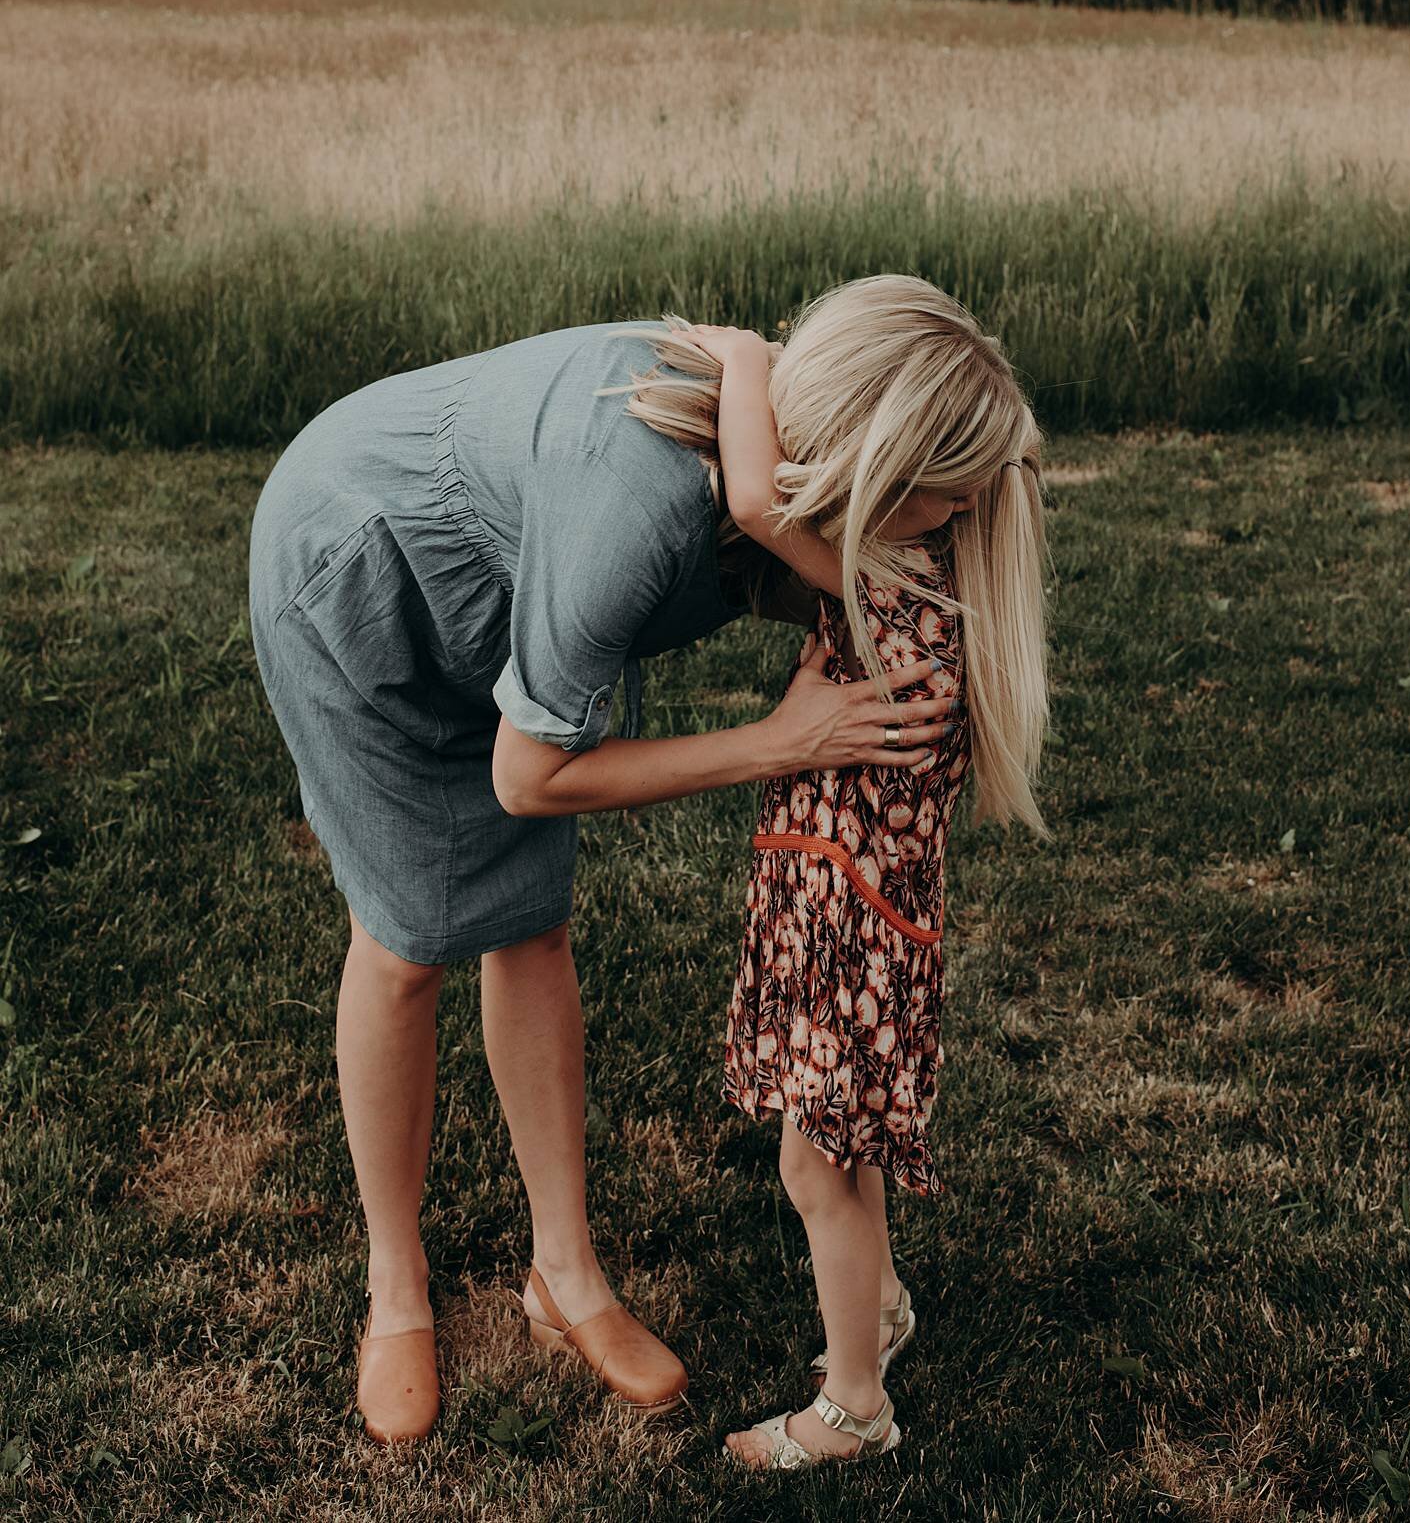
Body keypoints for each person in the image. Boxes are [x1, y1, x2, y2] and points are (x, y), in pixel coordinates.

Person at [246, 285, 954, 1442]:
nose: (946, 529)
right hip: (352, 578)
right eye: (946, 501)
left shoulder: (767, 453)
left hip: (508, 603)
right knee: (406, 941)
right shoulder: (635, 511)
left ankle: (562, 1277)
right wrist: (781, 743)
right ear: (875, 465)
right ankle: (396, 1289)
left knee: (530, 923)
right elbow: (532, 778)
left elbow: (799, 511)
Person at [687, 303, 1049, 1471]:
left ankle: (855, 1408)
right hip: (855, 915)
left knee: (816, 1163)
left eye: (953, 497)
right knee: (847, 1152)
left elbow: (751, 499)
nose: (953, 513)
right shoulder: (926, 582)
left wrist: (748, 356)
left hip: (850, 928)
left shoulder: (895, 587)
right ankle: (879, 1305)